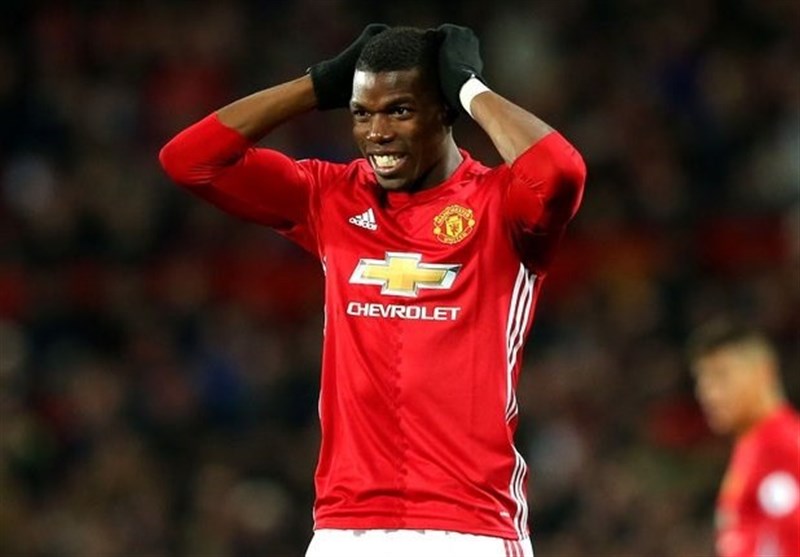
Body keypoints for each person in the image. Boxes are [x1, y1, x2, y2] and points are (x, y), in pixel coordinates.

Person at [160, 23, 586, 557]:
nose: (376, 132)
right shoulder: (330, 196)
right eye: (362, 113)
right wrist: (319, 84)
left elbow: (561, 172)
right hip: (344, 528)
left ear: (444, 111)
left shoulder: (501, 204)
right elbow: (189, 161)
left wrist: (469, 87)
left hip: (469, 526)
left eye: (399, 111)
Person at [689, 320, 800, 557]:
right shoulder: (754, 446)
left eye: (721, 375)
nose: (708, 393)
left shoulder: (780, 447)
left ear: (764, 371)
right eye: (702, 380)